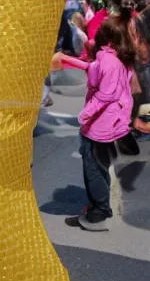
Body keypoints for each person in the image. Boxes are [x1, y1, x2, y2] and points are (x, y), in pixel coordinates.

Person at [50, 19, 136, 231]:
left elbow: (106, 93)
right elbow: (94, 69)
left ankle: (99, 212)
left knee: (93, 168)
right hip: (112, 123)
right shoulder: (118, 57)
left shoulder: (108, 59)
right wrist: (71, 61)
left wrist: (85, 115)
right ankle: (98, 207)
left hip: (101, 125)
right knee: (99, 165)